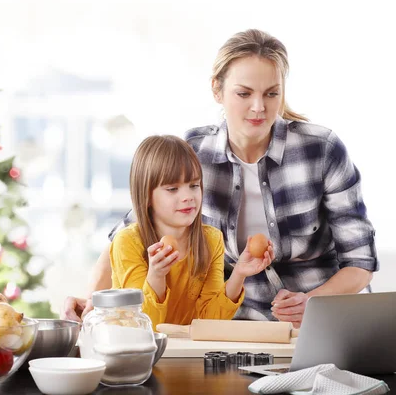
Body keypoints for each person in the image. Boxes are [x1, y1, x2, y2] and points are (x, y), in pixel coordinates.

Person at [63, 29, 378, 328]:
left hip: (320, 321)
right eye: (244, 93)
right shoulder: (194, 152)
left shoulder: (320, 150)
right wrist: (93, 299)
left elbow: (360, 262)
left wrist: (312, 301)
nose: (259, 107)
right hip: (235, 327)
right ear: (217, 89)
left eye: (272, 94)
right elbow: (133, 228)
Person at [101, 135, 273, 329]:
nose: (188, 197)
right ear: (146, 195)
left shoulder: (211, 239)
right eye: (173, 189)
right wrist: (156, 276)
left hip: (184, 350)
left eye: (194, 186)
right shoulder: (128, 241)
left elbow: (209, 320)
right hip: (138, 351)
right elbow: (144, 325)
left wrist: (239, 273)